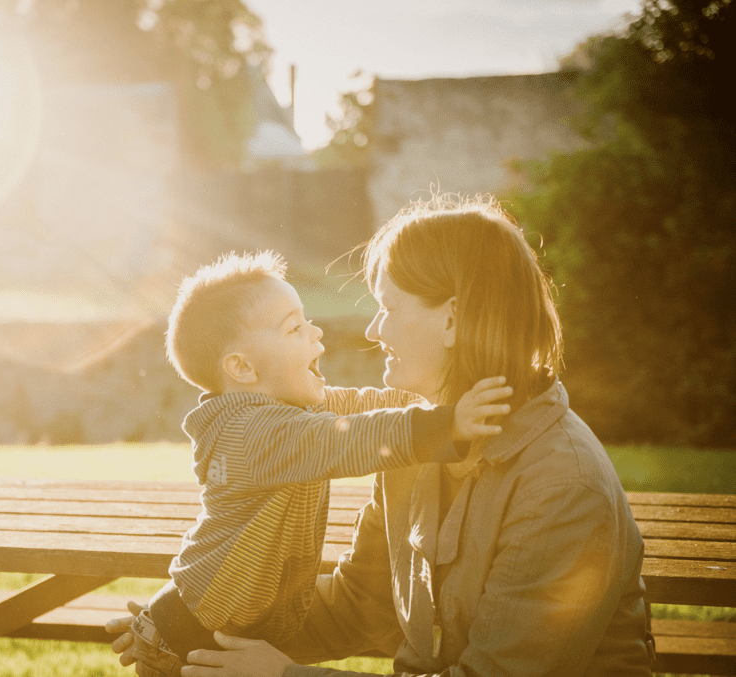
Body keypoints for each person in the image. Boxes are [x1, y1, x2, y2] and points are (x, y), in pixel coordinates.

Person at [109, 197, 653, 676]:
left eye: (388, 308)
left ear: (452, 320)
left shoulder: (561, 484)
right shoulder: (415, 439)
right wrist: (187, 629)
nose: (371, 331)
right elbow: (359, 604)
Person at [122, 250, 514, 677]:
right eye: (294, 327)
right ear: (242, 367)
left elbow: (366, 408)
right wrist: (447, 424)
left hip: (205, 621)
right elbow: (349, 440)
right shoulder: (254, 434)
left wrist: (434, 395)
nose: (316, 332)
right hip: (191, 639)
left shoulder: (292, 410)